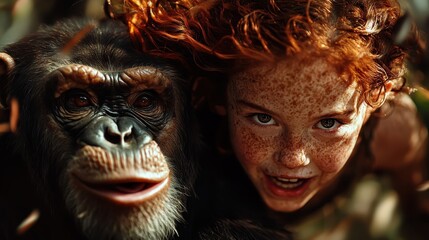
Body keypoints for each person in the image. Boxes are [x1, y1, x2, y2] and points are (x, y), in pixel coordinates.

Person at [109, 0, 429, 238]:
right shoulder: (173, 141)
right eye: (263, 118)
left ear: (376, 99)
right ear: (220, 95)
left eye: (329, 123)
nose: (292, 158)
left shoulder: (395, 136)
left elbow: (417, 207)